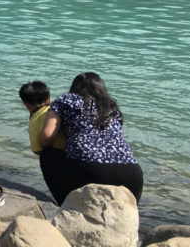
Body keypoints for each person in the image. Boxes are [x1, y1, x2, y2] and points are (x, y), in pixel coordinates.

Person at [38, 72, 143, 205]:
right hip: (131, 174)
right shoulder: (111, 106)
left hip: (91, 170)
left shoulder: (66, 100)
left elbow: (46, 137)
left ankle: (66, 206)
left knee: (47, 156)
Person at [20, 80, 66, 155]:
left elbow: (36, 150)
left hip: (59, 158)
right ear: (49, 100)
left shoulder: (35, 121)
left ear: (25, 104)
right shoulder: (59, 109)